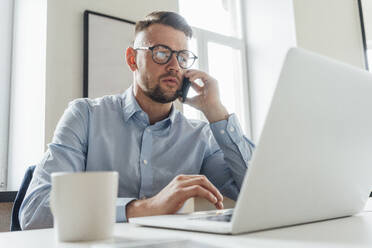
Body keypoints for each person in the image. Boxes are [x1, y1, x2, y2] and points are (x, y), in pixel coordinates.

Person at [19, 11, 254, 230]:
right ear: (132, 59)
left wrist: (217, 111)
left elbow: (256, 192)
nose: (174, 66)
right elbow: (35, 211)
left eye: (182, 57)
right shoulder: (85, 116)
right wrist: (143, 209)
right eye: (161, 53)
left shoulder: (200, 136)